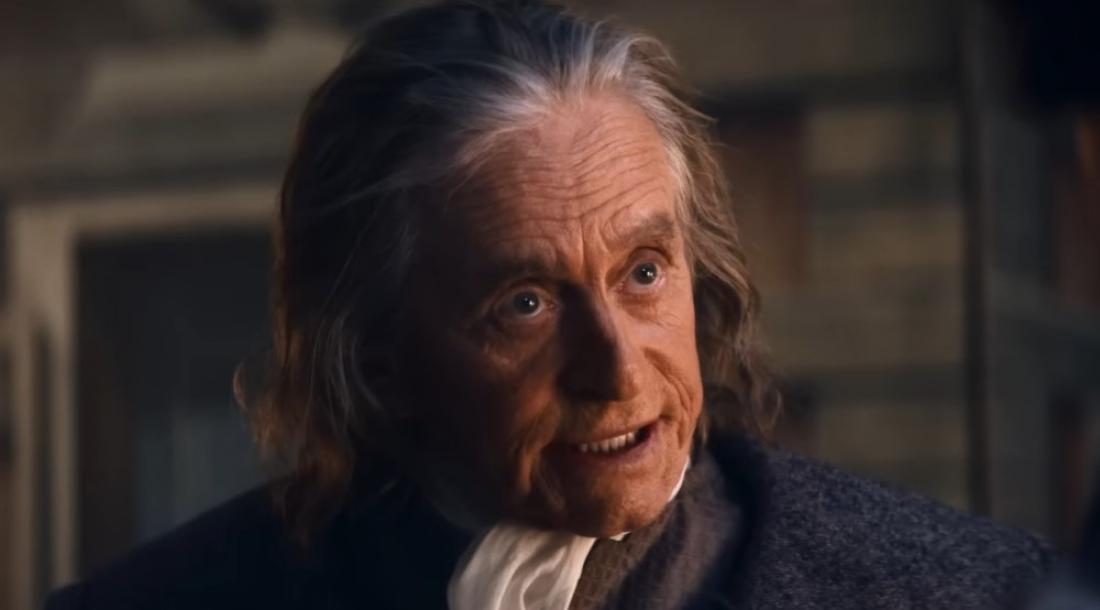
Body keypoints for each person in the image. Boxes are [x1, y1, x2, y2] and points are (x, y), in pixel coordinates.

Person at [46, 1, 1054, 608]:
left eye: (644, 272)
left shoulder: (975, 593)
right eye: (523, 304)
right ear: (378, 357)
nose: (615, 368)